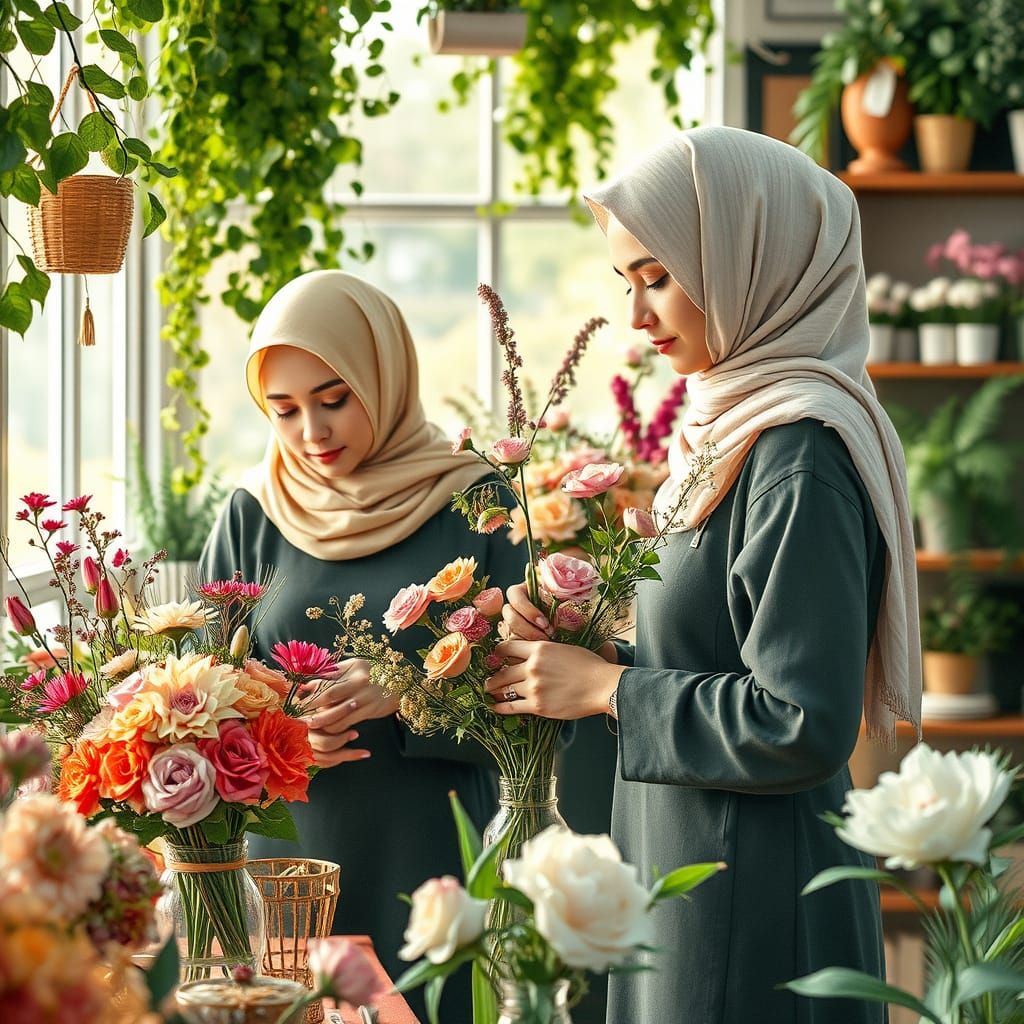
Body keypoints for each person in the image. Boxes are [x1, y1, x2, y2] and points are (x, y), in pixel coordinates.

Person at [485, 126, 922, 1023]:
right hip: (690, 877)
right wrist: (584, 656)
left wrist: (607, 689)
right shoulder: (727, 433)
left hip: (751, 906)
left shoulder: (799, 454)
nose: (636, 317)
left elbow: (801, 721)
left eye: (657, 278)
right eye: (626, 282)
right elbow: (713, 650)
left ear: (750, 261)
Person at [199, 270, 526, 1020]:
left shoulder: (476, 500)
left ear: (385, 376)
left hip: (433, 866)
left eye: (334, 399)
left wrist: (409, 691)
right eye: (284, 410)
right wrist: (282, 733)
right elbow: (197, 706)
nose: (312, 433)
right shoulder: (252, 512)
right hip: (282, 875)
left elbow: (541, 712)